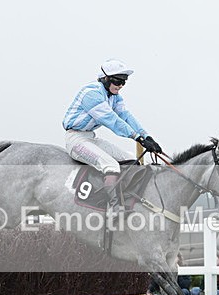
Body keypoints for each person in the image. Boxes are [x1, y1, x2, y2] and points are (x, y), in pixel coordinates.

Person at [62, 59, 164, 211]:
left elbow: (126, 117)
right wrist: (138, 138)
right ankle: (113, 208)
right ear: (105, 79)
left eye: (124, 82)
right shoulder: (91, 94)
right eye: (118, 81)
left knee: (130, 159)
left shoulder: (114, 97)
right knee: (110, 165)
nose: (121, 86)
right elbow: (113, 121)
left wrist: (147, 136)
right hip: (75, 140)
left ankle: (128, 198)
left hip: (90, 137)